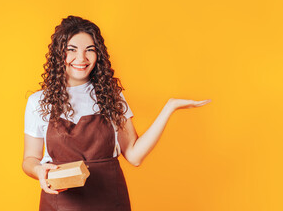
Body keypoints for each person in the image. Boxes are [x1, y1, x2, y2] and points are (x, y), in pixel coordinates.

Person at [22, 15, 211, 211]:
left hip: (109, 200)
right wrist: (39, 170)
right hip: (60, 203)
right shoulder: (38, 102)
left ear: (98, 55)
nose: (81, 58)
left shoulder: (110, 95)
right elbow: (29, 159)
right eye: (72, 49)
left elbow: (134, 155)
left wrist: (169, 108)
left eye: (90, 50)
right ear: (58, 52)